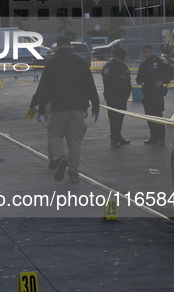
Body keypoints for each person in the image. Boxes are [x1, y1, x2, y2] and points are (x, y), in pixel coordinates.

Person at [34, 35, 100, 183]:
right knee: (75, 141)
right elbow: (90, 85)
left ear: (57, 47)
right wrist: (95, 105)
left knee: (55, 134)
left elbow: (44, 87)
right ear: (70, 46)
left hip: (58, 107)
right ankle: (74, 173)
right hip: (77, 108)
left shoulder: (52, 63)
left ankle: (60, 157)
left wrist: (40, 109)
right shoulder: (80, 62)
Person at [135, 44, 174, 145]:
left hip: (157, 94)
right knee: (149, 116)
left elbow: (173, 73)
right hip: (147, 94)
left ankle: (162, 138)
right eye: (143, 53)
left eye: (147, 52)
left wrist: (163, 81)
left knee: (158, 116)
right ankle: (153, 137)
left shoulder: (160, 62)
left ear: (151, 51)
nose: (145, 55)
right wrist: (138, 81)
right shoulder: (143, 65)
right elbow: (139, 77)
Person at [101, 47, 132, 148]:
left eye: (123, 58)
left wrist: (128, 91)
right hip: (112, 96)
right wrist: (119, 79)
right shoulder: (109, 67)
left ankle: (118, 136)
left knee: (120, 117)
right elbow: (107, 81)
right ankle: (114, 139)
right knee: (114, 118)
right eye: (120, 58)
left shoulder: (123, 66)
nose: (121, 60)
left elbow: (128, 78)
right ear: (115, 57)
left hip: (122, 96)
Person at [29, 92, 55, 169]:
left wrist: (32, 105)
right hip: (64, 107)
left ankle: (53, 159)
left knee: (52, 134)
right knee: (70, 136)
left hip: (48, 106)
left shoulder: (46, 80)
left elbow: (40, 91)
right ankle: (65, 159)